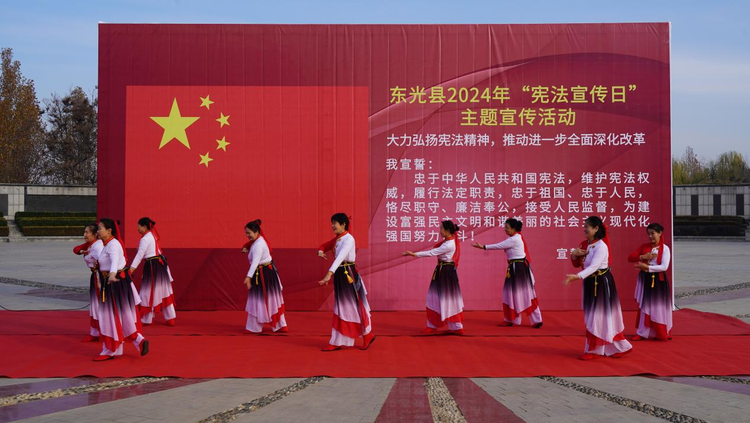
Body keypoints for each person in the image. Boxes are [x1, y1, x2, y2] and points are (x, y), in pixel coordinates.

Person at [563, 216, 632, 360]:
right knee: (594, 316)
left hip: (600, 283)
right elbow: (578, 264)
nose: (584, 229)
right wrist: (574, 255)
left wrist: (577, 276)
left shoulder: (602, 246)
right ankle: (615, 348)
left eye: (587, 226)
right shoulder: (585, 244)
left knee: (600, 316)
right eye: (584, 226)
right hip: (589, 282)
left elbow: (594, 267)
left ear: (596, 229)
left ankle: (594, 350)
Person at [317, 213, 375, 351]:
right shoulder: (338, 239)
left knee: (353, 306)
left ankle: (366, 334)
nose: (332, 226)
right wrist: (320, 251)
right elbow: (324, 245)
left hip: (348, 274)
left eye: (334, 223)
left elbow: (340, 257)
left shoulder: (349, 239)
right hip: (341, 274)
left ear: (343, 224)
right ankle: (338, 340)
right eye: (332, 223)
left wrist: (328, 274)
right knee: (342, 308)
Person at [94, 218, 149, 361]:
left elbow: (114, 261)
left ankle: (111, 348)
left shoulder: (113, 245)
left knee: (110, 316)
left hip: (114, 283)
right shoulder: (107, 244)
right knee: (123, 315)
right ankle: (138, 340)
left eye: (100, 228)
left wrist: (111, 274)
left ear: (109, 230)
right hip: (115, 283)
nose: (98, 231)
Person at [472, 218, 542, 328]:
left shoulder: (514, 239)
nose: (505, 229)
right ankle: (516, 319)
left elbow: (499, 245)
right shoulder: (516, 237)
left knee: (521, 294)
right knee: (516, 294)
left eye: (507, 228)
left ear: (514, 229)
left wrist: (483, 247)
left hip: (518, 269)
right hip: (517, 268)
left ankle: (526, 319)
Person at [404, 220, 465, 335]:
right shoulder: (448, 241)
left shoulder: (448, 244)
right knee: (437, 298)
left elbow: (432, 252)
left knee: (448, 299)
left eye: (441, 229)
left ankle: (456, 326)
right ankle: (435, 324)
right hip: (443, 271)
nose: (440, 231)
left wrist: (414, 254)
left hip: (446, 273)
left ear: (447, 231)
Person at [627, 222, 672, 341]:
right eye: (649, 234)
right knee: (644, 306)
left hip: (658, 280)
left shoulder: (665, 249)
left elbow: (664, 267)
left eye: (653, 233)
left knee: (658, 306)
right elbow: (630, 257)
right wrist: (643, 257)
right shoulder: (644, 247)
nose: (650, 236)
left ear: (660, 233)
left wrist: (648, 268)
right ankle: (642, 332)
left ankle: (660, 332)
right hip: (645, 278)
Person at [242, 219, 288, 334]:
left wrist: (248, 277)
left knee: (261, 299)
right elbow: (249, 244)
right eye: (246, 233)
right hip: (265, 272)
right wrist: (246, 247)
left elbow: (255, 262)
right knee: (271, 298)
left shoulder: (259, 245)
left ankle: (255, 327)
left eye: (249, 233)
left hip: (263, 274)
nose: (247, 235)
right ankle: (280, 325)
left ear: (257, 232)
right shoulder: (258, 241)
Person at [129, 217, 176, 326]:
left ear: (144, 226)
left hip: (152, 266)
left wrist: (131, 269)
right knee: (164, 291)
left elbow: (140, 255)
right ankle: (170, 318)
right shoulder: (152, 235)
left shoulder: (145, 238)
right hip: (160, 265)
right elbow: (152, 250)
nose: (137, 228)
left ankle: (146, 319)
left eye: (139, 226)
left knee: (147, 292)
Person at [74, 224, 104, 342]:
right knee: (95, 304)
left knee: (100, 304)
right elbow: (76, 249)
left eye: (87, 232)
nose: (84, 235)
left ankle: (104, 331)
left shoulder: (98, 246)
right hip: (95, 275)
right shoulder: (91, 245)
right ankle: (95, 332)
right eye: (84, 232)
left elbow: (100, 260)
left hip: (100, 277)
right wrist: (83, 251)